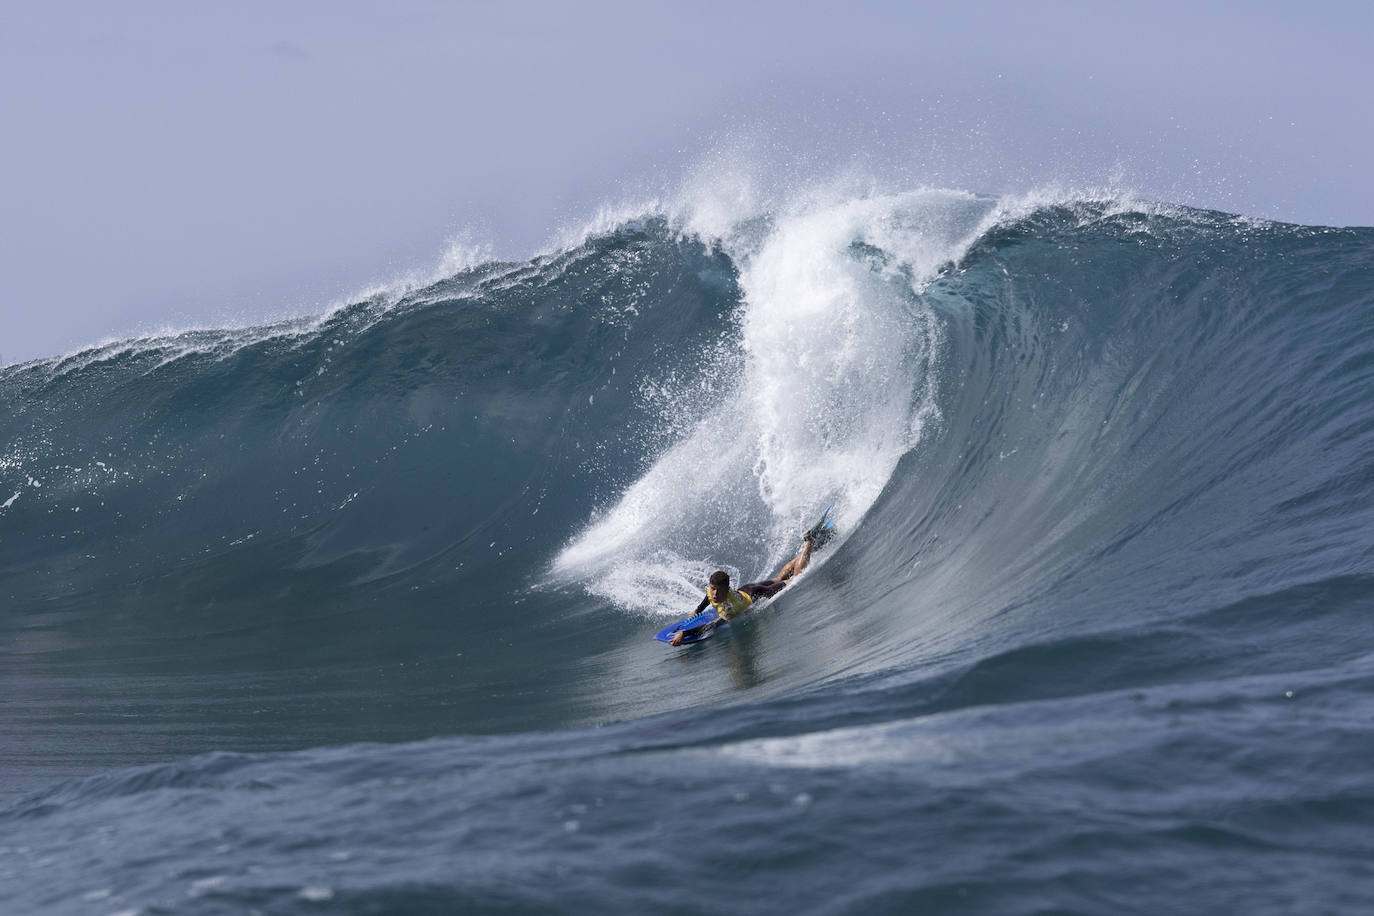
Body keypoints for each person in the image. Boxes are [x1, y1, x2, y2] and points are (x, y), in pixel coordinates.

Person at [669, 533, 816, 646]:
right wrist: (697, 610)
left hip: (757, 593)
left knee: (793, 579)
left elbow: (710, 626)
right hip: (746, 589)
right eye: (713, 589)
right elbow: (708, 597)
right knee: (778, 578)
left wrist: (685, 633)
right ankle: (804, 552)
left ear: (726, 590)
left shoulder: (729, 607)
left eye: (718, 591)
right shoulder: (713, 590)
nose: (714, 594)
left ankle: (809, 541)